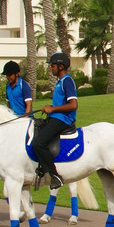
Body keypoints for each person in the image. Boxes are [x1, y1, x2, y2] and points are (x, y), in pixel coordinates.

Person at [33, 51, 77, 190]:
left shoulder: (67, 81)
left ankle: (54, 175)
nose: (50, 68)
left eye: (52, 66)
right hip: (55, 117)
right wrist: (50, 108)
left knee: (38, 143)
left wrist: (52, 109)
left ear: (61, 66)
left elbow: (73, 105)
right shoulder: (60, 82)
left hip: (63, 119)